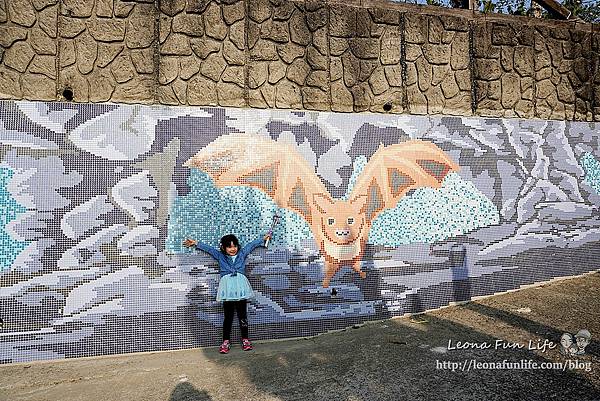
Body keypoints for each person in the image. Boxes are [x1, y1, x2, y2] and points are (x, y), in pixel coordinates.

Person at [183, 233, 270, 354]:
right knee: (228, 317)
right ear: (224, 248)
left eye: (234, 246)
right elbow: (209, 249)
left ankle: (245, 340)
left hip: (241, 289)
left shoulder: (241, 254)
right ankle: (225, 341)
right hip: (228, 289)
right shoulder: (220, 256)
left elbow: (251, 246)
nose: (232, 249)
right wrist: (196, 243)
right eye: (229, 246)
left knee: (242, 316)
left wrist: (262, 239)